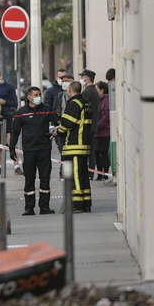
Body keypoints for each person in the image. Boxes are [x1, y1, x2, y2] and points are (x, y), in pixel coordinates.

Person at [10, 86, 58, 215]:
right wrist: (11, 148)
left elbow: (58, 123)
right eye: (35, 95)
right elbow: (15, 132)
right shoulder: (21, 112)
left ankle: (44, 207)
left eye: (39, 94)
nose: (38, 97)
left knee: (45, 179)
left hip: (44, 150)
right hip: (29, 151)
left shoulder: (46, 110)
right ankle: (29, 207)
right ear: (29, 97)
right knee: (29, 179)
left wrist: (55, 131)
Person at [57, 81, 92, 212]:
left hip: (74, 146)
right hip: (83, 145)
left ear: (70, 91)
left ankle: (77, 204)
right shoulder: (86, 103)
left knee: (75, 176)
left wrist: (58, 131)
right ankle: (86, 202)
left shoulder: (73, 103)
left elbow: (67, 123)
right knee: (83, 176)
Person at [80, 69, 100, 179]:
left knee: (88, 151)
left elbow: (82, 108)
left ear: (87, 78)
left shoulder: (88, 92)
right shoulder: (93, 91)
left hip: (88, 126)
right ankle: (90, 173)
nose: (81, 79)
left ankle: (89, 173)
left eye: (82, 77)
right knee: (91, 150)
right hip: (93, 125)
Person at [94, 81, 111, 181]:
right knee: (97, 153)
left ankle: (105, 173)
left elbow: (106, 117)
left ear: (102, 90)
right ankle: (100, 174)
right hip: (98, 133)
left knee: (103, 153)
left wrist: (97, 126)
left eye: (97, 89)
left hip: (104, 132)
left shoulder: (106, 101)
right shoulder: (99, 100)